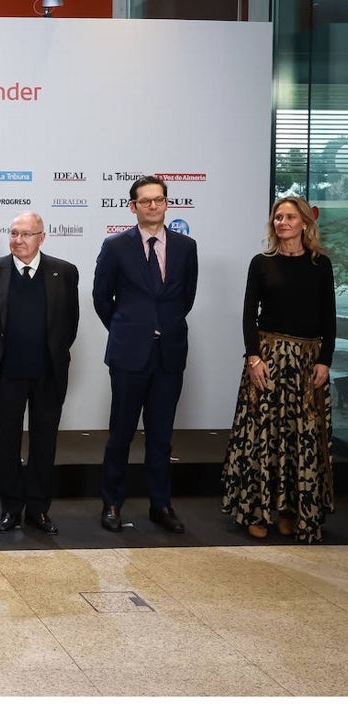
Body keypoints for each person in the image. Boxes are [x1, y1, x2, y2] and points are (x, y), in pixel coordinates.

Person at [222, 197, 335, 542]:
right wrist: (253, 357)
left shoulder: (321, 264)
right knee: (261, 438)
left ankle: (290, 511)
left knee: (299, 438)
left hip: (306, 363)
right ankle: (256, 511)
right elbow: (247, 315)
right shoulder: (261, 263)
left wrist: (324, 361)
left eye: (289, 217)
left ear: (304, 222)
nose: (282, 222)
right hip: (268, 359)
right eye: (277, 217)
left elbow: (329, 318)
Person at [93, 175, 198, 534]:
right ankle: (111, 504)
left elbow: (186, 298)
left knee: (161, 435)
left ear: (167, 203)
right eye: (145, 201)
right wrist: (128, 328)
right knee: (120, 433)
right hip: (129, 354)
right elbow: (101, 297)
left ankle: (160, 504)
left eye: (159, 199)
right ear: (133, 206)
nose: (153, 205)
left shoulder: (186, 246)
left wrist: (161, 326)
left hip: (169, 354)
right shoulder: (115, 245)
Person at [0, 212, 79, 535]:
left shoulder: (65, 272)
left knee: (44, 444)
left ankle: (38, 509)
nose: (17, 240)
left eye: (26, 234)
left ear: (41, 237)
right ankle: (10, 508)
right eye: (13, 233)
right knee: (7, 445)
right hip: (7, 374)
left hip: (47, 374)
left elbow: (69, 325)